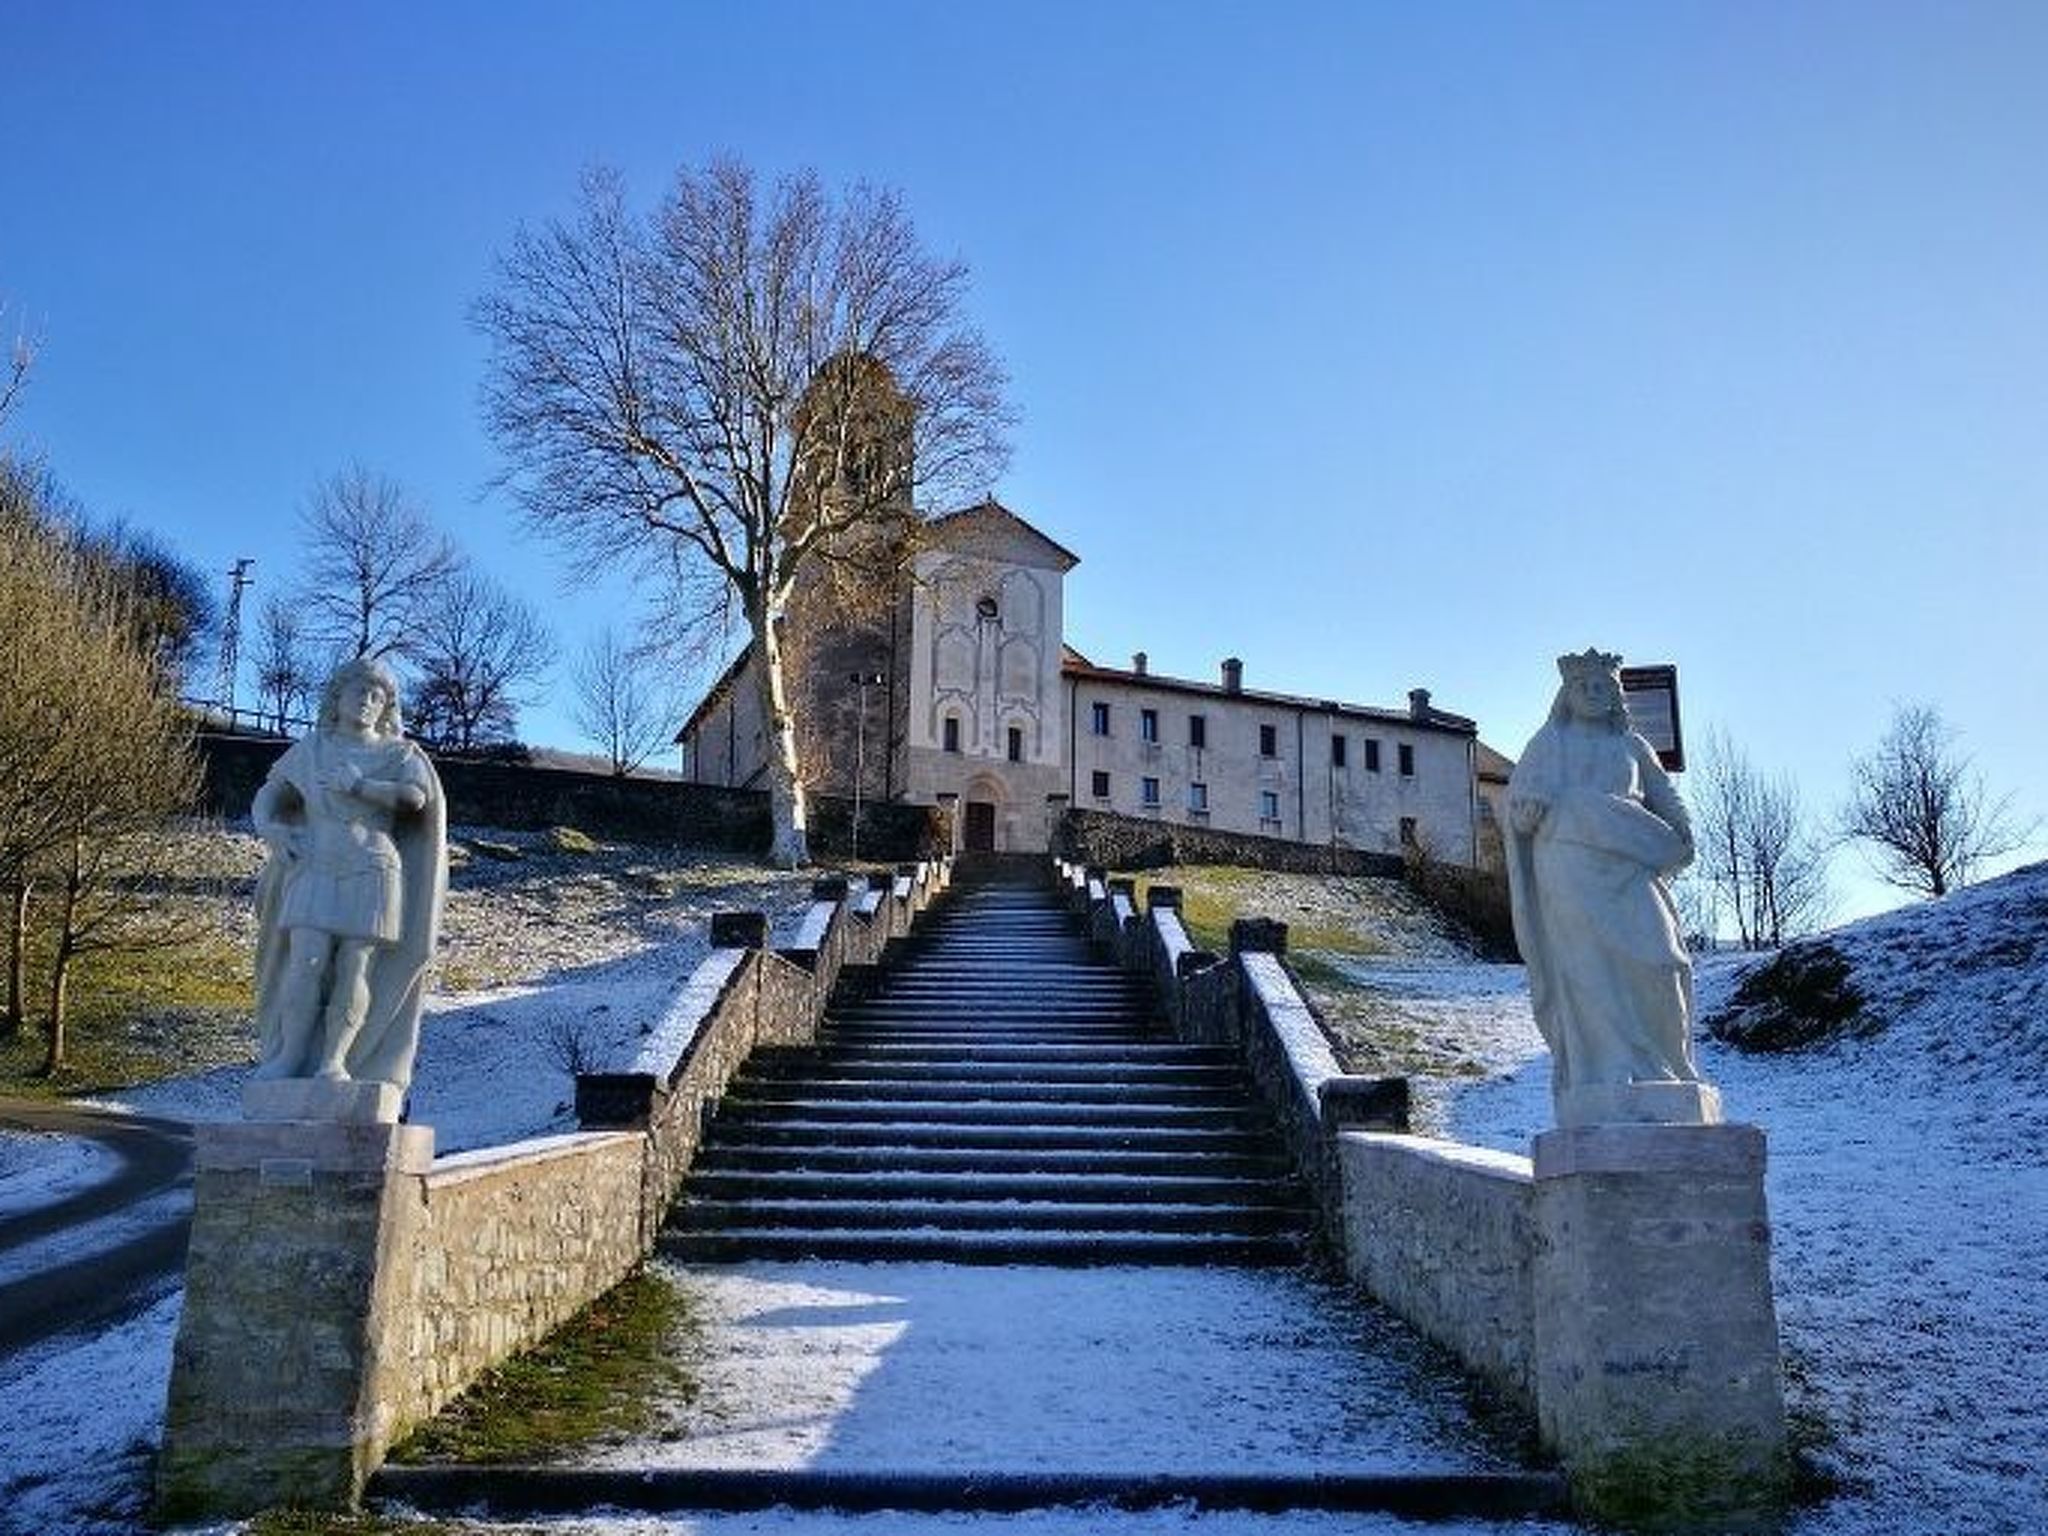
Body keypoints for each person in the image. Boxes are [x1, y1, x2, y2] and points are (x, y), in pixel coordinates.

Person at [1505, 649, 1703, 1120]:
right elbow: (1520, 803)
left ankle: (1670, 1065)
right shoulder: (1548, 743)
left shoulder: (1634, 747)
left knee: (1663, 963)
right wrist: (1526, 814)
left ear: (1616, 695)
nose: (1593, 694)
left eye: (1602, 687)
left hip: (1629, 862)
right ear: (1567, 695)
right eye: (1583, 687)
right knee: (1588, 970)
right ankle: (1608, 1066)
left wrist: (1683, 837)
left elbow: (1666, 800)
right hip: (1569, 862)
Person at [249, 657, 445, 1091]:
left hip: (372, 865)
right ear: (337, 698)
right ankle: (291, 1055)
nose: (368, 702)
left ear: (387, 706)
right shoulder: (312, 748)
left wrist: (362, 787)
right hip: (315, 861)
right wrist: (271, 830)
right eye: (360, 692)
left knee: (355, 967)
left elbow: (416, 798)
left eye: (378, 696)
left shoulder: (400, 753)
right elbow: (268, 796)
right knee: (306, 962)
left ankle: (335, 1061)